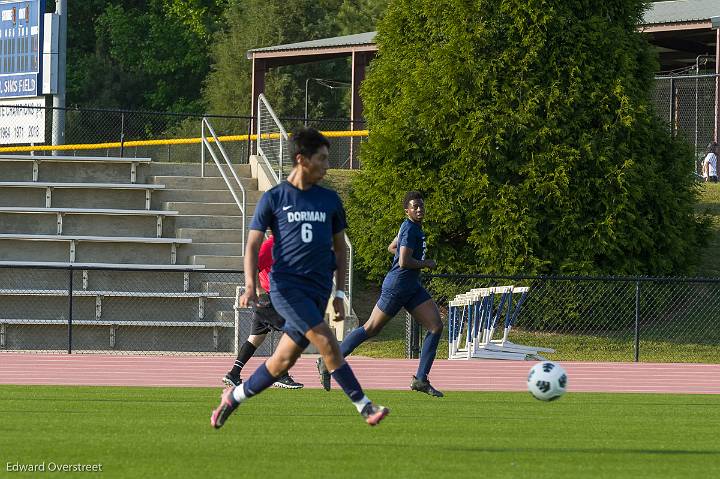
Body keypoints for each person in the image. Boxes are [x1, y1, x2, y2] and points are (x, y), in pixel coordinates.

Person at [211, 127, 389, 429]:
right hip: (286, 288)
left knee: (282, 362)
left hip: (318, 290)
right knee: (326, 339)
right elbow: (253, 244)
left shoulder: (330, 200)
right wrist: (252, 285)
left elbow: (340, 250)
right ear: (301, 159)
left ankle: (233, 397)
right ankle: (364, 405)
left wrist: (340, 294)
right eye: (321, 158)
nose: (327, 165)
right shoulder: (275, 198)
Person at [317, 191, 444, 397]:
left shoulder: (410, 227)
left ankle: (421, 380)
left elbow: (392, 247)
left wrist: (408, 257)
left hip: (411, 286)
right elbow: (404, 261)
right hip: (398, 287)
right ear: (407, 211)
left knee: (436, 326)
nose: (419, 209)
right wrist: (425, 263)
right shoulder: (410, 228)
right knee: (370, 328)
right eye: (415, 207)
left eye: (421, 206)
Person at [221, 234, 303, 390]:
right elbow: (252, 266)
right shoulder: (270, 244)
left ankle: (233, 374)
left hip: (271, 298)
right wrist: (258, 290)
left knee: (255, 339)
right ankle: (281, 374)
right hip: (268, 299)